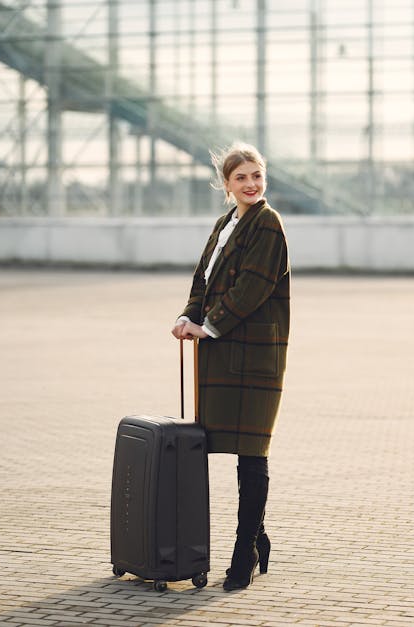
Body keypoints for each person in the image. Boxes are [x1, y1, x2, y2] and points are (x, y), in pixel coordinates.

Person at [171, 141, 290, 591]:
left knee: (252, 452)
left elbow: (254, 287)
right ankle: (259, 538)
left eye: (257, 176)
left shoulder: (269, 224)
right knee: (226, 446)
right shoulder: (226, 224)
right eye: (241, 178)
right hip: (222, 352)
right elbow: (203, 279)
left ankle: (244, 553)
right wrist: (188, 315)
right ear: (226, 185)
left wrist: (210, 325)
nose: (251, 184)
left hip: (254, 355)